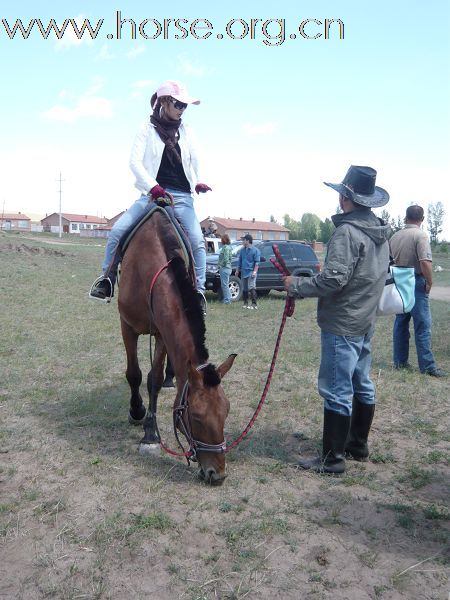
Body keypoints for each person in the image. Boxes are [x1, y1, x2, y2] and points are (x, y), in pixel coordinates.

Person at [284, 166, 391, 474]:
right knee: (362, 383)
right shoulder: (380, 231)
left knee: (336, 389)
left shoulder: (346, 232)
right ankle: (356, 444)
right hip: (364, 320)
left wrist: (297, 286)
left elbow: (333, 281)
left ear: (346, 198)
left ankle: (333, 459)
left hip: (343, 323)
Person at [89, 80, 211, 304]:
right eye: (179, 104)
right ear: (165, 101)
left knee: (197, 240)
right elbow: (134, 162)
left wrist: (199, 181)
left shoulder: (187, 131)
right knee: (118, 231)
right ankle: (106, 280)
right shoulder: (146, 129)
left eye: (185, 106)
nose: (183, 110)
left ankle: (199, 291)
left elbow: (195, 158)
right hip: (151, 195)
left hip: (182, 198)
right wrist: (153, 187)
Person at [389, 205, 445, 377]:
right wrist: (429, 282)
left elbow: (389, 260)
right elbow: (425, 262)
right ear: (422, 219)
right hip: (415, 281)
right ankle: (427, 366)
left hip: (399, 281)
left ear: (406, 217)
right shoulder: (420, 235)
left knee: (401, 323)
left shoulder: (395, 236)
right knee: (422, 325)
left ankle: (400, 361)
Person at [236, 234, 260, 310]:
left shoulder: (255, 250)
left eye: (244, 240)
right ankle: (245, 303)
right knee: (245, 288)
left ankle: (254, 304)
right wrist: (237, 270)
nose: (242, 241)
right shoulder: (242, 250)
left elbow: (257, 262)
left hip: (251, 272)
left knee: (252, 287)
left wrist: (255, 272)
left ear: (248, 241)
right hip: (243, 272)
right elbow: (239, 261)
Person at [218, 234, 233, 304]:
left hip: (225, 268)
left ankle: (227, 300)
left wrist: (220, 265)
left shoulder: (225, 248)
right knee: (225, 284)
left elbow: (226, 259)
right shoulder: (229, 247)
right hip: (228, 268)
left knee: (224, 285)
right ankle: (229, 298)